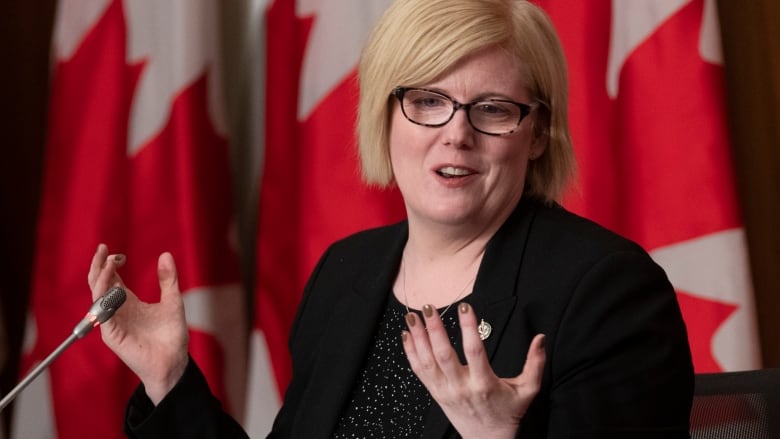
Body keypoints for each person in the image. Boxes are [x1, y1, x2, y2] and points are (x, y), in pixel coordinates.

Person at [88, 0, 694, 437]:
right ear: (385, 117)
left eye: (491, 108)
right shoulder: (347, 270)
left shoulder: (607, 292)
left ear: (537, 134)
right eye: (427, 101)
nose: (456, 135)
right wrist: (169, 378)